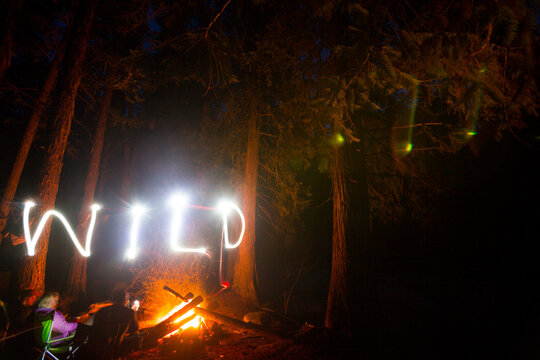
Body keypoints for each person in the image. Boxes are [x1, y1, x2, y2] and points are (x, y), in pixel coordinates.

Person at [84, 288, 139, 359]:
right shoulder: (130, 313)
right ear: (125, 299)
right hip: (114, 349)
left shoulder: (102, 311)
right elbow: (135, 329)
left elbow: (94, 328)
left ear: (113, 298)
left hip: (96, 348)